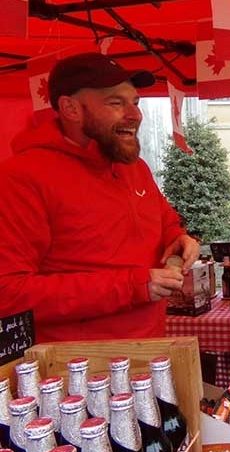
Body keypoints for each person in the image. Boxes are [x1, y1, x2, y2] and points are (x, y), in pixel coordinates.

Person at [0, 53, 200, 343]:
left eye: (135, 102)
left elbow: (166, 223)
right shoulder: (22, 177)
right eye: (116, 103)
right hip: (77, 372)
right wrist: (132, 286)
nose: (135, 115)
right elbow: (9, 293)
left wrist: (179, 239)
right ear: (70, 108)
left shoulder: (135, 168)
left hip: (151, 352)